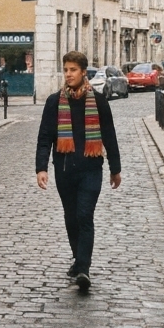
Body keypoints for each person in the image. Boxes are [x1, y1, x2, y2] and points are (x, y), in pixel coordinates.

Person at [35, 51, 122, 291]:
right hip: (64, 170)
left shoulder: (99, 101)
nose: (69, 74)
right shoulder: (54, 102)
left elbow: (109, 135)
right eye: (66, 70)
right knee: (71, 217)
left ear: (84, 72)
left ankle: (83, 267)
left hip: (91, 169)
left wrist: (116, 169)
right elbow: (45, 137)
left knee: (84, 215)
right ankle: (77, 257)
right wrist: (41, 168)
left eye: (73, 70)